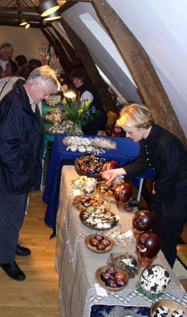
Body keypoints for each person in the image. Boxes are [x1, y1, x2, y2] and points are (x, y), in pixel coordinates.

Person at [0, 66, 59, 281]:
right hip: (12, 174)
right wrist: (22, 172)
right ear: (34, 83)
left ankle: (12, 243)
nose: (46, 98)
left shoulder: (28, 100)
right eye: (45, 93)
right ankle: (6, 259)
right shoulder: (14, 104)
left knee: (17, 214)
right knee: (10, 216)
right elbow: (6, 148)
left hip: (20, 172)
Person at [101, 103, 187, 268]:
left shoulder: (165, 142)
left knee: (167, 238)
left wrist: (158, 187)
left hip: (179, 195)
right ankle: (152, 264)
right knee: (156, 232)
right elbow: (143, 163)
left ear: (141, 126)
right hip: (166, 188)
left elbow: (173, 174)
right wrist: (118, 171)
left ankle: (162, 273)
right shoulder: (148, 138)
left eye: (129, 131)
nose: (127, 135)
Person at [0, 65, 35, 214]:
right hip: (5, 135)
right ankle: (2, 209)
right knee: (2, 173)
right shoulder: (21, 92)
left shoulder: (1, 81)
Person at [69, 67, 107, 135]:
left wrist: (71, 117)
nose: (74, 82)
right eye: (73, 80)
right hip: (92, 118)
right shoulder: (85, 86)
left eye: (76, 80)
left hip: (94, 121)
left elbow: (82, 110)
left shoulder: (86, 92)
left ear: (82, 79)